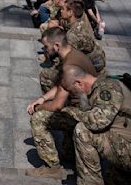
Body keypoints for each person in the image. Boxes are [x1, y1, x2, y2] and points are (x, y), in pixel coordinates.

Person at [25, 27, 97, 180]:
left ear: (57, 45)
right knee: (67, 153)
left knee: (38, 118)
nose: (45, 50)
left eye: (46, 47)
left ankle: (52, 169)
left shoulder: (68, 66)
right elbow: (61, 85)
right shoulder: (73, 54)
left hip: (87, 115)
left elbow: (57, 105)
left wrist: (38, 107)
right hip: (87, 108)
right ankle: (72, 150)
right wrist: (43, 98)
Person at [60, 65, 131, 185]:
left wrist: (71, 111)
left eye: (71, 91)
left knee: (83, 131)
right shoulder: (103, 82)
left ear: (79, 83)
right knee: (112, 178)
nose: (72, 95)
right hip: (125, 143)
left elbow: (98, 121)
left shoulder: (107, 89)